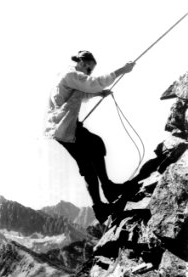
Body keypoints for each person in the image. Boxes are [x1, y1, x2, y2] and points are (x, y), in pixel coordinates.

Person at [45, 50, 136, 223]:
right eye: (89, 69)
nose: (89, 72)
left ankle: (102, 203)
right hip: (65, 128)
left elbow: (82, 92)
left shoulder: (68, 77)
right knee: (93, 149)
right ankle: (107, 193)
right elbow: (93, 83)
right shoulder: (71, 74)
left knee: (91, 155)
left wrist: (98, 94)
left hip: (63, 128)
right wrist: (121, 70)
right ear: (82, 62)